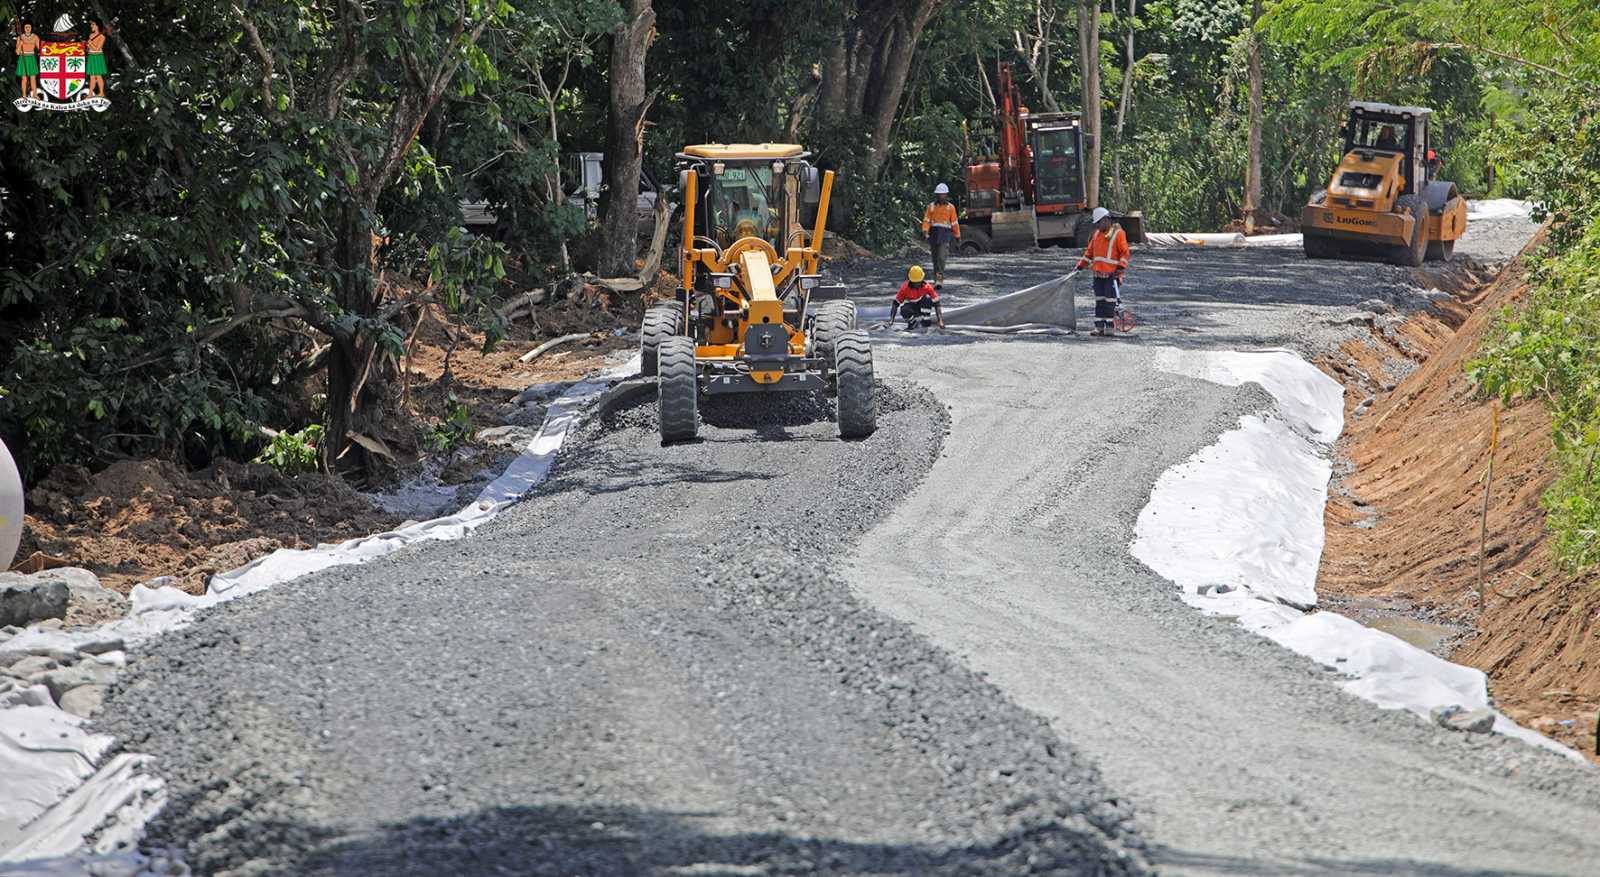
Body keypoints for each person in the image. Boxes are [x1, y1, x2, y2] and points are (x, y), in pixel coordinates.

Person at [1075, 207, 1130, 336]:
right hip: (1098, 275)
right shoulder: (1096, 235)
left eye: (1099, 223)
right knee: (1100, 302)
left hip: (1111, 276)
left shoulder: (1118, 234)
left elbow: (1125, 253)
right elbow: (1088, 254)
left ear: (1106, 220)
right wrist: (1080, 266)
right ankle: (1099, 327)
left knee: (1110, 303)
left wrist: (1121, 267)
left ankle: (1110, 328)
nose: (1098, 226)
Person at [921, 183, 960, 284]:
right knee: (935, 259)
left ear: (946, 195)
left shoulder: (951, 208)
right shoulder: (931, 207)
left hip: (945, 235)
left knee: (941, 258)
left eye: (943, 194)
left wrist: (957, 236)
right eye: (939, 194)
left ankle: (939, 279)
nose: (941, 196)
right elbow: (927, 220)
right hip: (934, 234)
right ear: (936, 195)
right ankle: (936, 279)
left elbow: (954, 223)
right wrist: (925, 231)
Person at [889, 265, 943, 330]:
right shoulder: (905, 288)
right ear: (910, 280)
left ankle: (926, 321)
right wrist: (891, 320)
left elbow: (937, 303)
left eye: (919, 282)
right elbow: (895, 304)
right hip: (912, 309)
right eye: (915, 282)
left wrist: (940, 321)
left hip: (923, 307)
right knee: (904, 310)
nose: (917, 284)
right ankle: (913, 323)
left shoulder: (927, 287)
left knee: (928, 298)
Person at [14, 20, 39, 100]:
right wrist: (20, 44)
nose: (28, 28)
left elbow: (40, 48)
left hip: (31, 58)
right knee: (24, 78)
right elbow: (17, 52)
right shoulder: (20, 37)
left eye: (29, 27)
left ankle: (34, 94)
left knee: (33, 77)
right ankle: (24, 95)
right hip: (23, 58)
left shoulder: (35, 37)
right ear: (23, 28)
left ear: (31, 28)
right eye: (26, 27)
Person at [85, 19, 109, 99]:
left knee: (98, 76)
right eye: (91, 24)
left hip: (98, 56)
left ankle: (101, 92)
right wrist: (87, 47)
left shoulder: (102, 37)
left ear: (98, 26)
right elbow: (89, 49)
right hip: (91, 56)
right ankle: (90, 93)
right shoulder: (91, 36)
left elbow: (97, 48)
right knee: (92, 76)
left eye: (93, 24)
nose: (91, 26)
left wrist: (90, 43)